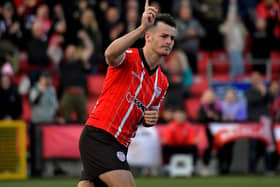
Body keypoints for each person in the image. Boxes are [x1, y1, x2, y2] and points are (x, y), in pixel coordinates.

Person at [78, 0, 177, 187]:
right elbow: (109, 55)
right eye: (164, 36)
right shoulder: (129, 57)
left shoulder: (162, 82)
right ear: (148, 37)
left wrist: (150, 119)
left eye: (172, 38)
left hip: (121, 144)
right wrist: (140, 28)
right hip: (100, 135)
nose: (168, 42)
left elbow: (144, 116)